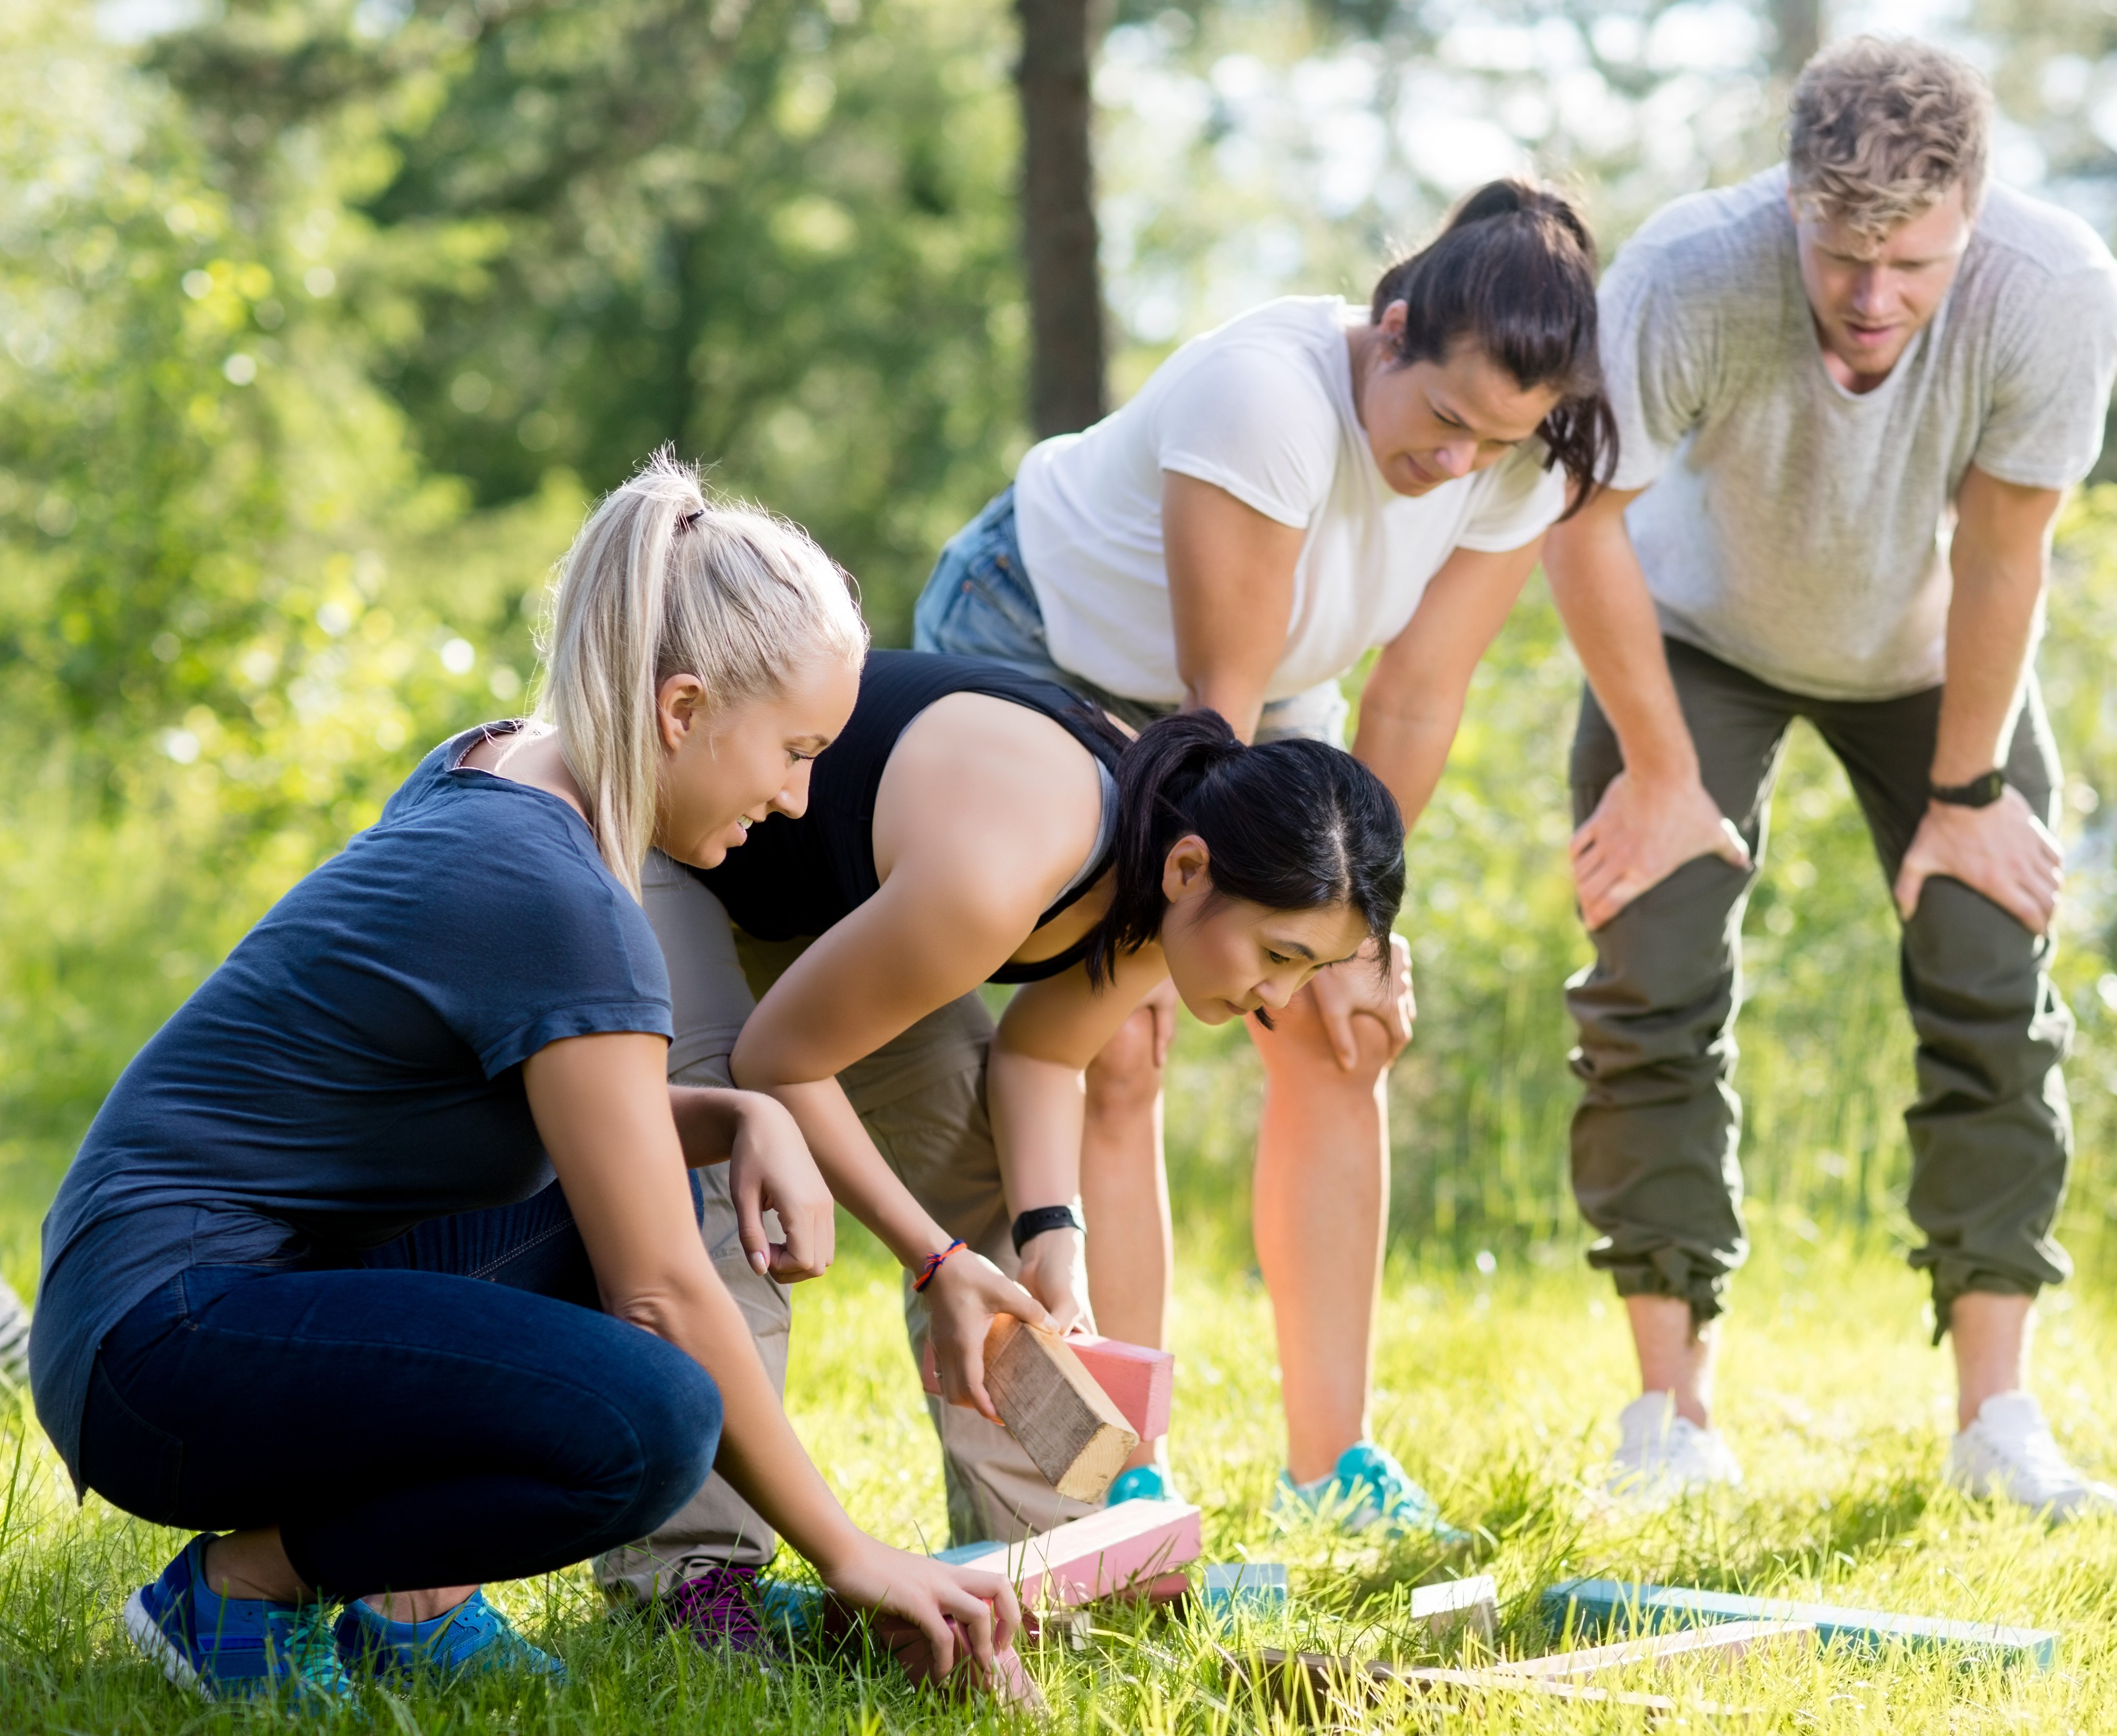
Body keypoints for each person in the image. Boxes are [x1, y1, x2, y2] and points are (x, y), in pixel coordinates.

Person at [27, 456, 1030, 1704]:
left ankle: (411, 1593)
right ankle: (239, 1589)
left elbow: (566, 1120)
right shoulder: (553, 889)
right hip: (160, 1344)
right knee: (651, 1418)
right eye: (793, 749)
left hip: (163, 1298)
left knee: (636, 1186)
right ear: (680, 708)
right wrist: (855, 1553)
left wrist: (741, 1110)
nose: (799, 796)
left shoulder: (505, 769)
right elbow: (663, 1291)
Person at [911, 176, 1614, 1535]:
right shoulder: (1268, 401)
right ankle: (1118, 1462)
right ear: (1390, 327)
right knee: (1118, 1033)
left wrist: (1360, 937)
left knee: (1342, 1027)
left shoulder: (1520, 455)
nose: (1458, 464)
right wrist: (1174, 946)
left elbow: (1411, 699)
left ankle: (1330, 1467)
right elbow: (1209, 724)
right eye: (1444, 421)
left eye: (1498, 441)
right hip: (1043, 643)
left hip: (1270, 689)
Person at [1543, 37, 2117, 1516]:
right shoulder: (1690, 270)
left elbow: (2006, 550)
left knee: (1993, 968)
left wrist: (1970, 793)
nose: (1876, 299)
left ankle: (1998, 1416)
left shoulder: (2051, 294)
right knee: (1650, 984)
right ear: (1791, 201)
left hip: (1935, 659)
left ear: (1973, 219)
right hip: (1695, 642)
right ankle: (1669, 1417)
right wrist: (1665, 771)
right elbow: (1584, 526)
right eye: (1845, 251)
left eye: (1916, 263)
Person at [591, 659, 1408, 1642]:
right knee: (737, 1174)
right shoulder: (1011, 868)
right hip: (675, 842)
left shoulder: (1168, 869)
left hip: (826, 911)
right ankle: (694, 1583)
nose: (1280, 1003)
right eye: (1279, 957)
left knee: (986, 1202)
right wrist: (932, 1261)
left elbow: (1039, 1053)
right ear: (1192, 869)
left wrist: (1050, 1226)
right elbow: (778, 1063)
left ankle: (1042, 1555)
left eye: (1309, 970)